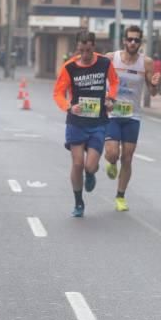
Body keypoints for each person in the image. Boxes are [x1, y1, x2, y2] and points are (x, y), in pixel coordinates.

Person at [53, 32, 119, 218]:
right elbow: (58, 93)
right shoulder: (70, 67)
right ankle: (78, 202)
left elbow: (114, 82)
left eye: (88, 50)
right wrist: (69, 107)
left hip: (98, 121)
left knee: (90, 166)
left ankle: (90, 174)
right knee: (77, 163)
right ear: (77, 48)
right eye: (81, 50)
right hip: (76, 122)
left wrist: (111, 98)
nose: (85, 54)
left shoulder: (104, 63)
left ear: (94, 47)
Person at [103, 25, 161, 212]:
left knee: (127, 158)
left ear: (140, 42)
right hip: (112, 113)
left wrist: (154, 85)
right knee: (113, 153)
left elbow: (152, 92)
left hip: (133, 115)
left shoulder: (146, 63)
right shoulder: (112, 58)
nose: (133, 43)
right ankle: (111, 162)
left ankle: (120, 196)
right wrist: (105, 98)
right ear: (124, 41)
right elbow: (98, 78)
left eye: (136, 40)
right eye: (130, 39)